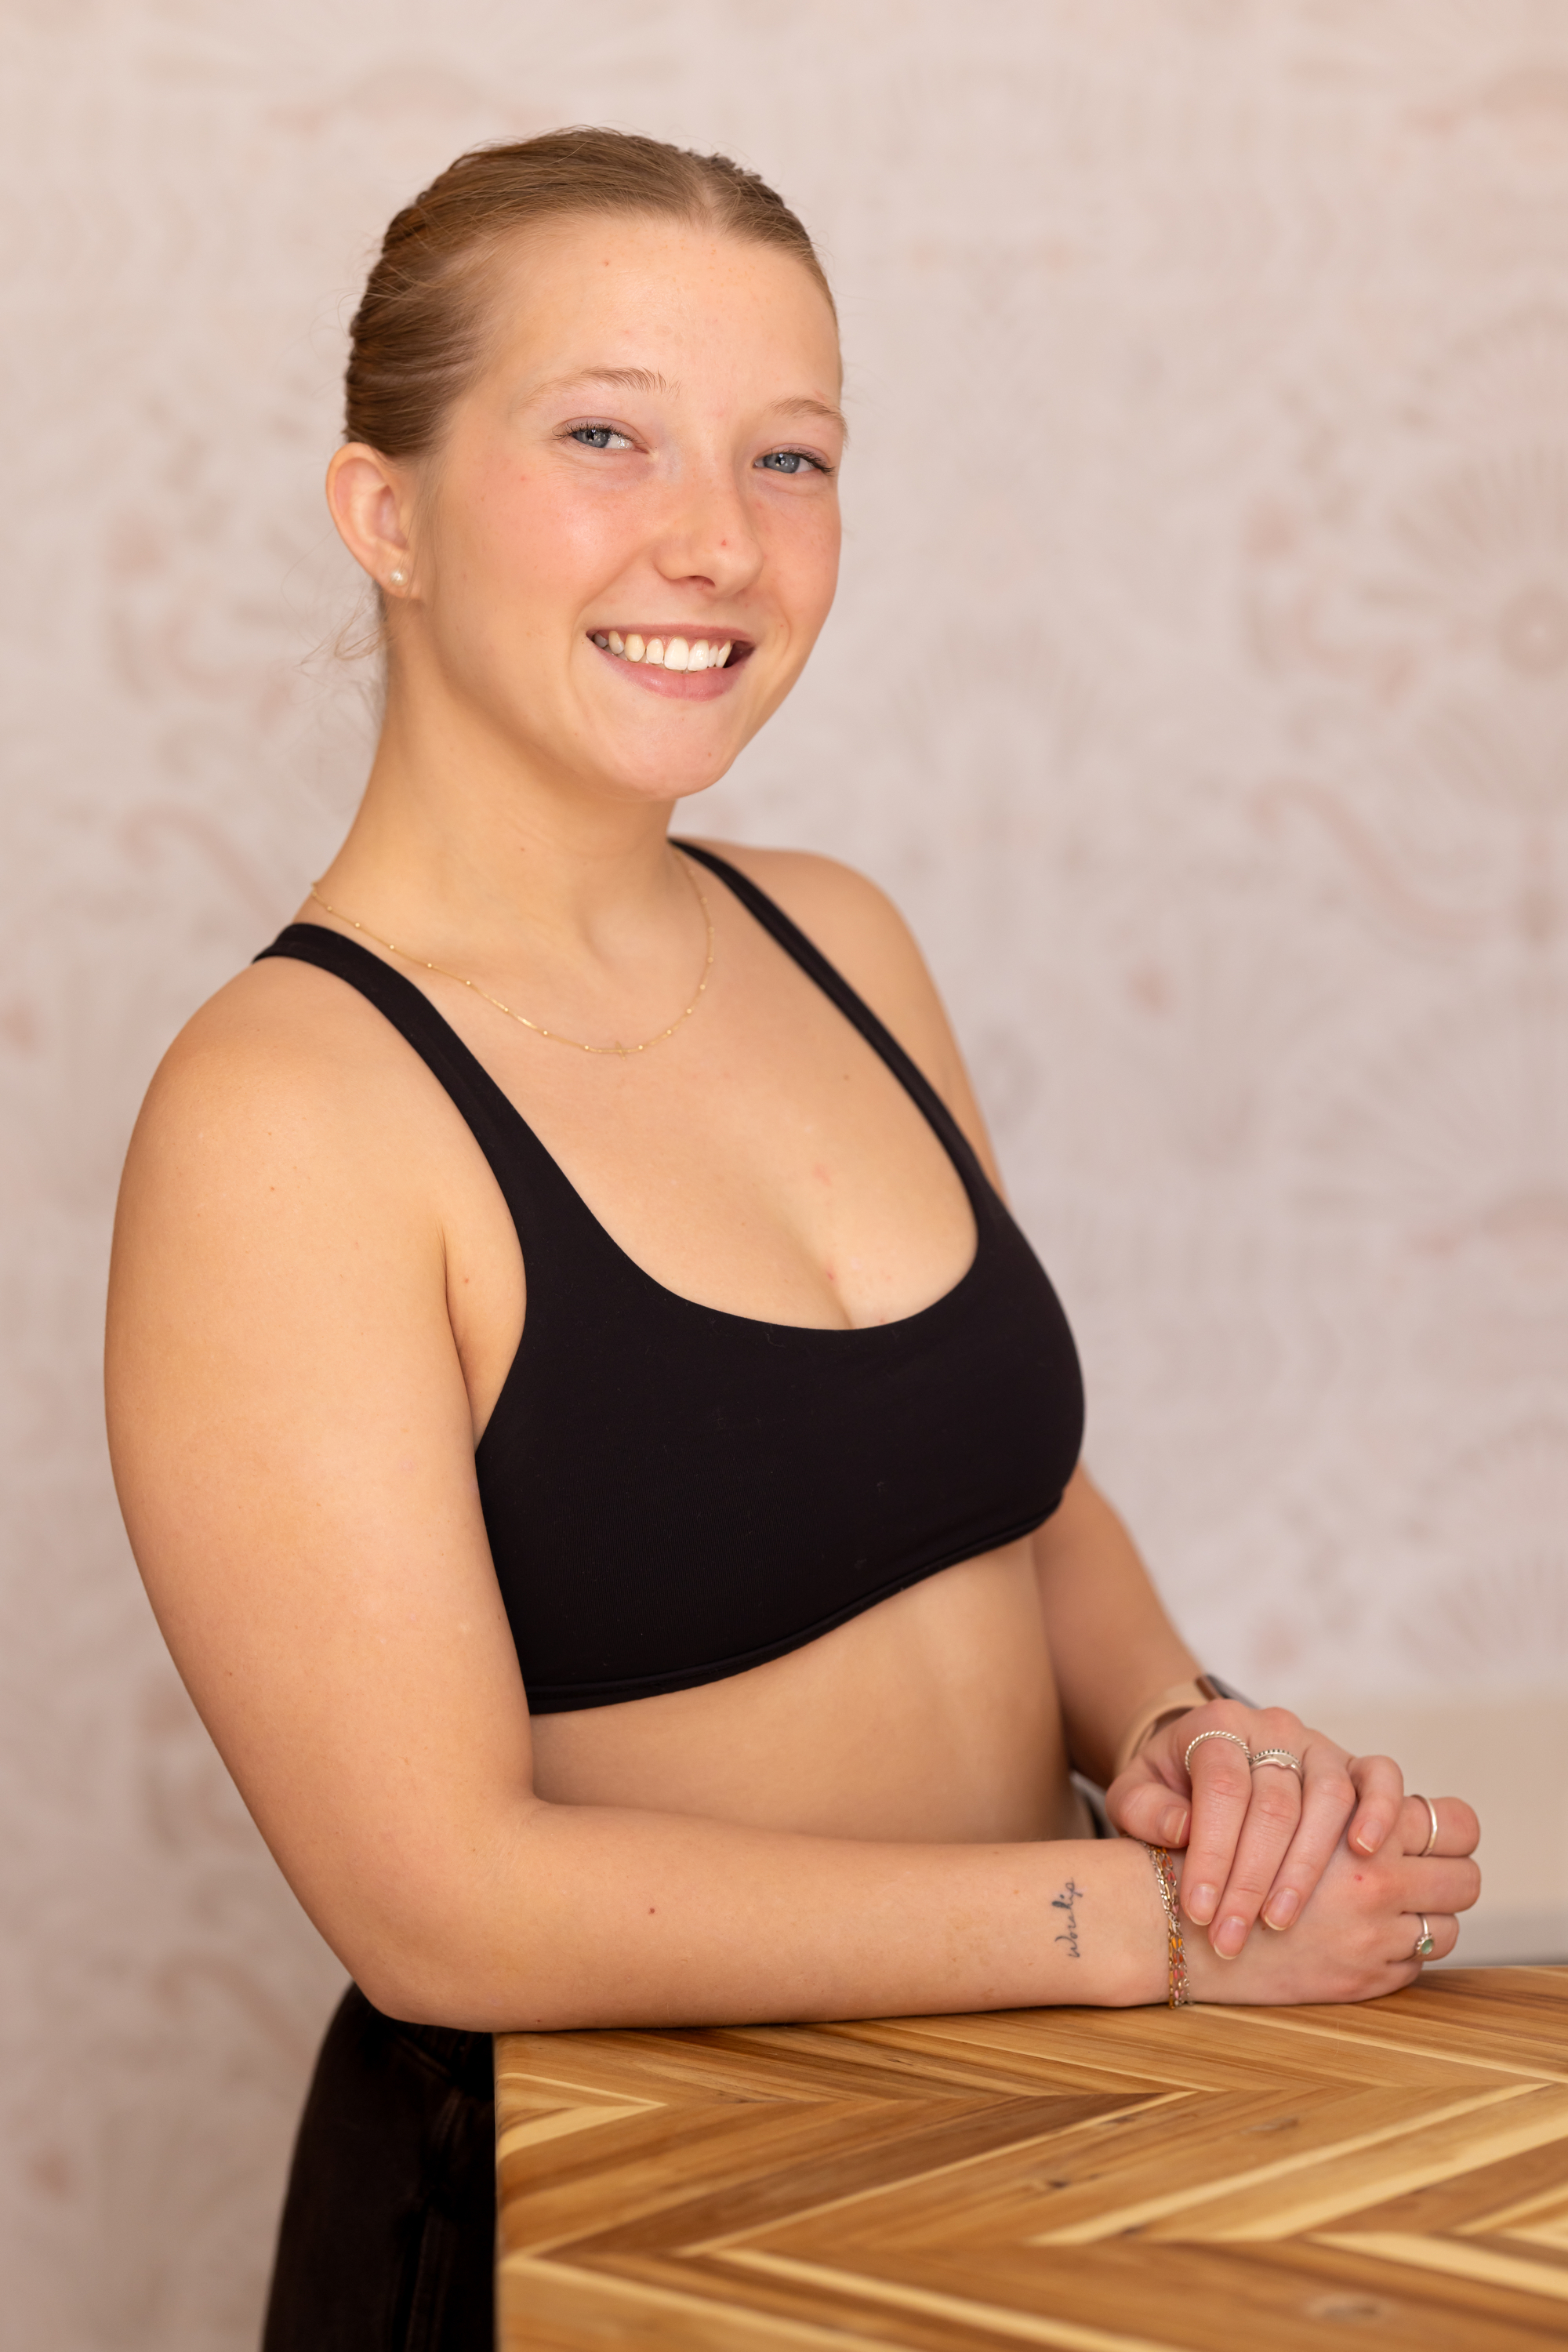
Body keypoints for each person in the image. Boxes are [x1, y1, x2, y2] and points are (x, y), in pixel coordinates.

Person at [104, 130, 1481, 2350]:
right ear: (386, 514)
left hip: (1015, 2170)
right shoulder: (287, 1110)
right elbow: (440, 1905)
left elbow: (1014, 1502)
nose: (720, 541)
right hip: (606, 2238)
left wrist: (1194, 1744)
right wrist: (1138, 1930)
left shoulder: (842, 938)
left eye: (792, 456)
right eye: (604, 435)